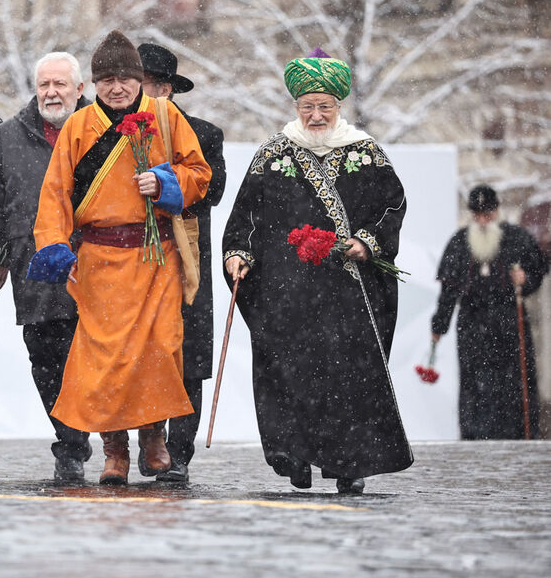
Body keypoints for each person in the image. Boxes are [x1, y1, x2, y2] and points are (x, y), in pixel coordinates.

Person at [222, 48, 413, 494]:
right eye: (307, 106)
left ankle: (352, 464)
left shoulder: (365, 153)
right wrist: (238, 253)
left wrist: (367, 241)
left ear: (338, 107)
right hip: (285, 293)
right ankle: (294, 454)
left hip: (347, 293)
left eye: (324, 106)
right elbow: (245, 216)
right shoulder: (272, 155)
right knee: (288, 370)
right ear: (296, 108)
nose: (315, 114)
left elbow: (393, 206)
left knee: (349, 380)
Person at [28, 31, 212, 485]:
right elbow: (55, 192)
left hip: (156, 258)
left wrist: (167, 185)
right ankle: (115, 450)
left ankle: (153, 436)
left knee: (159, 350)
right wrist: (53, 243)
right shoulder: (78, 125)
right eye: (106, 79)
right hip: (99, 260)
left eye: (125, 79)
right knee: (103, 360)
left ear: (138, 81)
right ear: (93, 84)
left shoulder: (165, 116)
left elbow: (199, 174)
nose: (116, 88)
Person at [0, 52, 92, 481]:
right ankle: (70, 443)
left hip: (98, 263)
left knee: (95, 356)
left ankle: (106, 441)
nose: (51, 92)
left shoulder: (106, 129)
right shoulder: (8, 136)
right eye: (44, 85)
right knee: (46, 357)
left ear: (80, 89)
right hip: (34, 266)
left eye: (60, 84)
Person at [138, 42, 227, 482]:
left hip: (188, 259)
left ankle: (180, 451)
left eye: (146, 85)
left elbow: (212, 192)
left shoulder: (204, 134)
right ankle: (150, 440)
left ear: (167, 89)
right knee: (142, 352)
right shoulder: (118, 132)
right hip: (136, 259)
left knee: (188, 356)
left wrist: (165, 184)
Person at [431, 185, 548, 439]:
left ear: (497, 211)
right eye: (478, 215)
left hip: (509, 321)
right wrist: (439, 326)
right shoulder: (460, 242)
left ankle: (516, 434)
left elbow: (538, 273)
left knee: (513, 382)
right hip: (473, 324)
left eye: (488, 214)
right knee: (476, 383)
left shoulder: (517, 238)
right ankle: (476, 435)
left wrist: (525, 278)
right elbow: (448, 290)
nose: (483, 220)